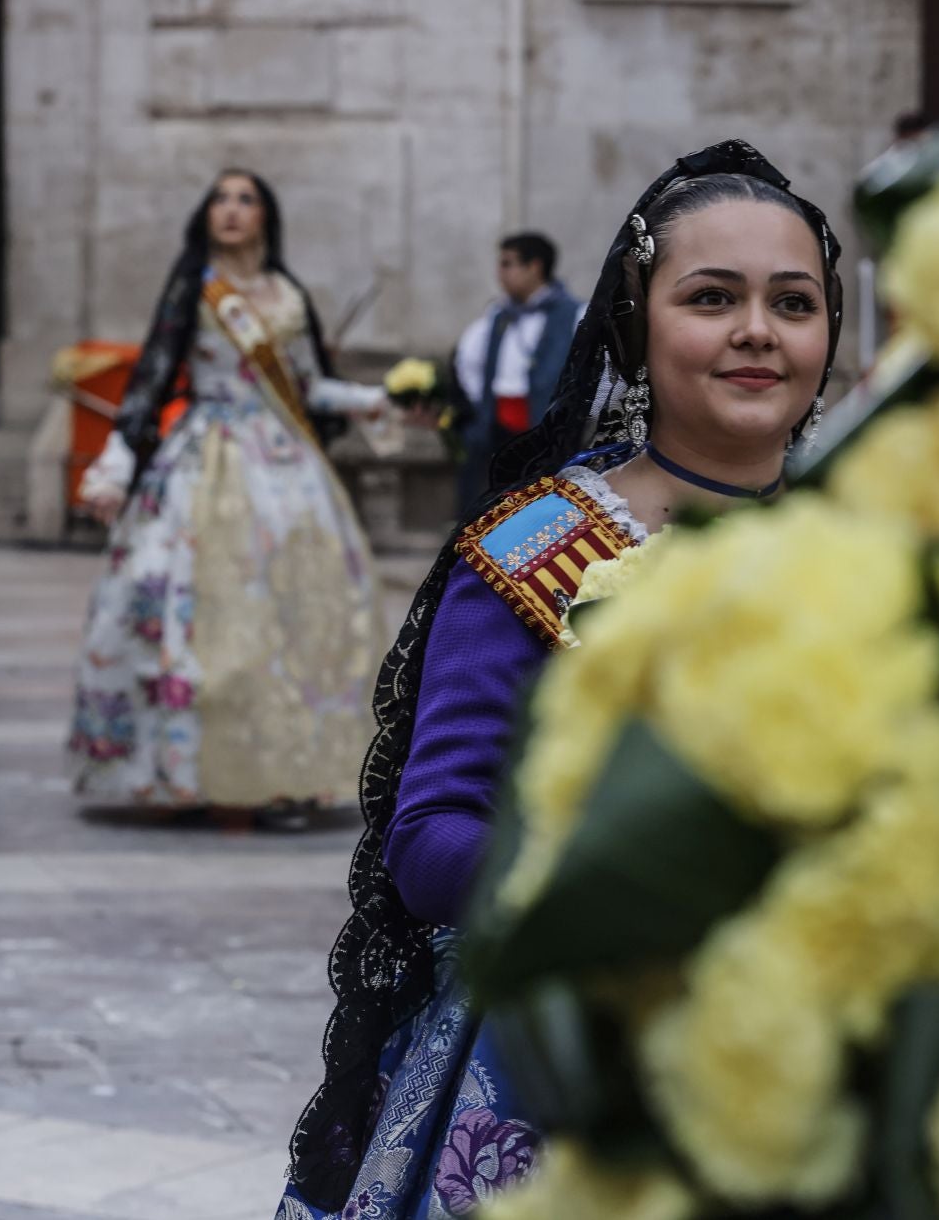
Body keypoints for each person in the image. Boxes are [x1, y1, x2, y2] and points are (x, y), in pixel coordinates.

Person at [277, 139, 844, 1218]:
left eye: (794, 302)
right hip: (577, 1060)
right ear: (636, 325)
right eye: (712, 298)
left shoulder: (888, 526)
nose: (758, 333)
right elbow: (432, 835)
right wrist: (623, 879)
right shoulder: (540, 544)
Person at [66, 168, 396, 819]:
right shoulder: (196, 289)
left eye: (246, 199)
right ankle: (183, 772)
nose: (232, 210)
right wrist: (113, 466)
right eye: (220, 198)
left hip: (287, 475)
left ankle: (281, 775)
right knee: (185, 617)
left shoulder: (287, 295)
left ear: (266, 215)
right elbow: (152, 378)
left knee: (289, 624)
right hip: (203, 460)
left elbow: (309, 389)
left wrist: (379, 400)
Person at [450, 233, 583, 511]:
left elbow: (587, 370)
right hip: (498, 431)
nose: (500, 274)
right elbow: (467, 361)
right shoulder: (498, 315)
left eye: (507, 264)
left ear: (534, 267)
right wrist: (483, 401)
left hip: (545, 433)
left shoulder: (574, 314)